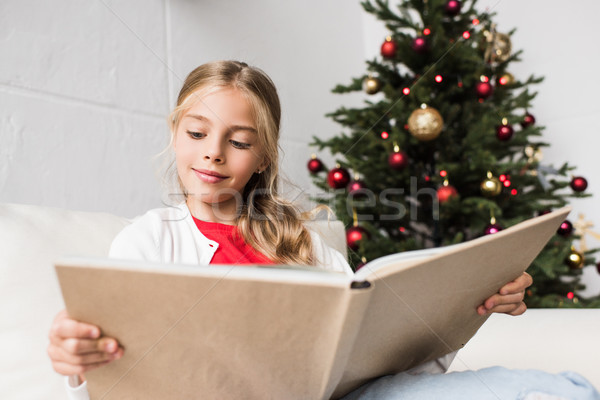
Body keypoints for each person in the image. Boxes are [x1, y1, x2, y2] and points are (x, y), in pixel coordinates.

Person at [47, 61, 600, 400]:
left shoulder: (306, 245)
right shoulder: (147, 242)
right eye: (197, 132)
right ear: (176, 135)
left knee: (550, 389)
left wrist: (472, 302)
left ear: (262, 156)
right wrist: (76, 359)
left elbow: (385, 365)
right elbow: (112, 382)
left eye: (239, 142)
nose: (213, 153)